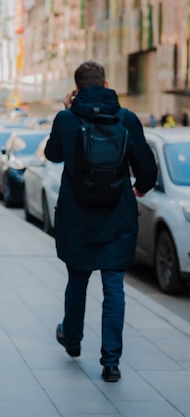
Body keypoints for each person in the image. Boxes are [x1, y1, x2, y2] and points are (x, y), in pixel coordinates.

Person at [44, 61, 157, 383]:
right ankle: (111, 362)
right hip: (117, 216)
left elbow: (53, 155)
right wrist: (139, 188)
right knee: (114, 288)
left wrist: (68, 112)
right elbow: (146, 168)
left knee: (77, 279)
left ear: (76, 88)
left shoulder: (67, 118)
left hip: (77, 216)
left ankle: (73, 340)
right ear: (106, 83)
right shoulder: (127, 118)